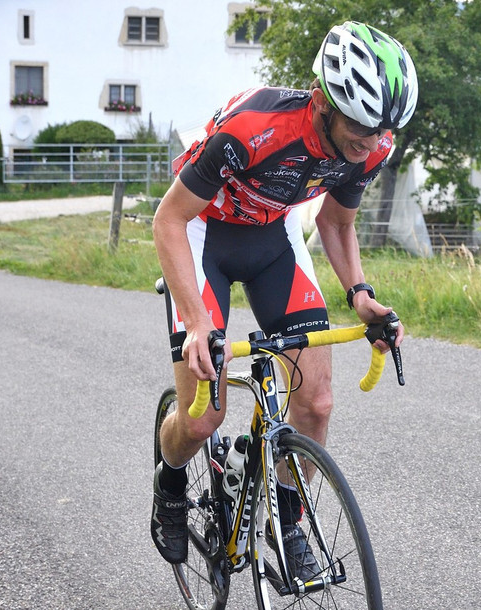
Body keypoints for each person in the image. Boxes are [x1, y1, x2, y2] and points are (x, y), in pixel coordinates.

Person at [150, 20, 418, 580]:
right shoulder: (254, 126)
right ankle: (170, 480)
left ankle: (287, 519)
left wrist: (361, 295)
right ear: (322, 102)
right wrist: (197, 323)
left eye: (380, 131)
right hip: (202, 234)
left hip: (274, 238)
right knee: (203, 419)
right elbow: (168, 219)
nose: (370, 143)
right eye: (359, 127)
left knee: (316, 402)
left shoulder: (372, 146)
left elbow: (336, 222)